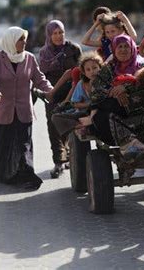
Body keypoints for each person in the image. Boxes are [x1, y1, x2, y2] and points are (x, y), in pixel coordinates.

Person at [0, 26, 52, 190]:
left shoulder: (29, 58)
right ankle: (5, 173)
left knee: (24, 144)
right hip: (3, 110)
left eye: (24, 39)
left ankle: (26, 174)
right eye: (20, 39)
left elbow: (39, 78)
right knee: (3, 144)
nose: (24, 42)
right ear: (10, 41)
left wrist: (50, 90)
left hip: (23, 110)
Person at [87, 34, 144, 160]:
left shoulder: (142, 68)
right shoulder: (107, 69)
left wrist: (126, 88)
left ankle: (140, 146)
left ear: (132, 48)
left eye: (126, 46)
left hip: (137, 111)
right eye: (119, 46)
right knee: (100, 117)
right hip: (113, 112)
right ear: (114, 49)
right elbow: (95, 91)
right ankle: (130, 143)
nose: (123, 49)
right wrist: (115, 93)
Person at [38, 20, 82, 176]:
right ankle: (58, 161)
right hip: (53, 92)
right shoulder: (44, 52)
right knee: (53, 125)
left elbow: (81, 71)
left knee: (71, 123)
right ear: (49, 35)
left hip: (73, 92)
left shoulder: (73, 48)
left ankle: (70, 155)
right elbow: (41, 75)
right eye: (54, 33)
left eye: (61, 32)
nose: (58, 36)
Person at [50, 52, 104, 178]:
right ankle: (80, 125)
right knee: (56, 117)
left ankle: (89, 122)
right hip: (85, 112)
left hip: (102, 111)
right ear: (84, 73)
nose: (92, 71)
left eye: (95, 68)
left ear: (100, 68)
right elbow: (75, 103)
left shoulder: (106, 82)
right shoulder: (81, 84)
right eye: (88, 69)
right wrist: (89, 104)